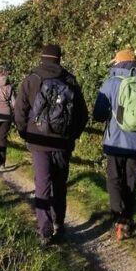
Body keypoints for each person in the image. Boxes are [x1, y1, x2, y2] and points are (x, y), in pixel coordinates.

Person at [14, 44, 88, 245]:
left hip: (38, 142)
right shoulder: (70, 81)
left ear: (41, 58)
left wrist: (24, 132)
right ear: (59, 59)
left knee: (42, 184)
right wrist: (71, 136)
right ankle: (59, 225)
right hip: (63, 142)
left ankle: (44, 230)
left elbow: (20, 111)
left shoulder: (31, 80)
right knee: (60, 184)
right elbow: (82, 114)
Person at [93, 49, 136, 240]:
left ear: (117, 64)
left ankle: (118, 220)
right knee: (131, 182)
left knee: (114, 180)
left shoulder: (110, 83)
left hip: (114, 143)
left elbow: (98, 115)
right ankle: (127, 218)